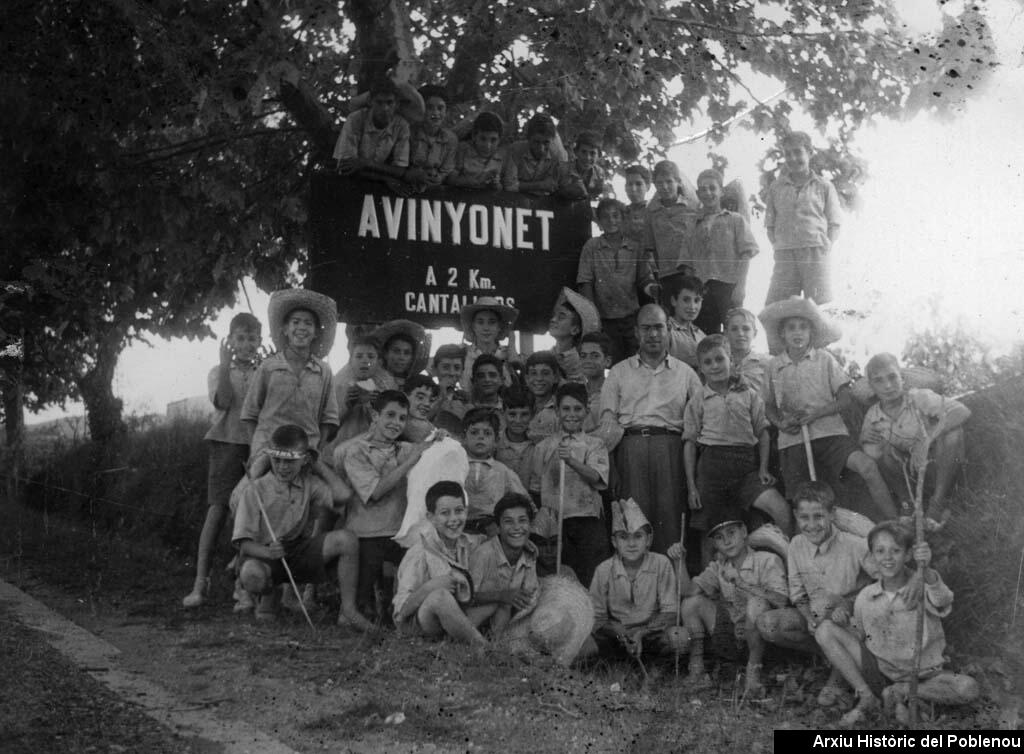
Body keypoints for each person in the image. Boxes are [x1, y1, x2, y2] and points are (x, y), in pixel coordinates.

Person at [816, 521, 979, 725]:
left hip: (925, 676)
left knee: (967, 687)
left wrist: (926, 570)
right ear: (872, 556)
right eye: (880, 551)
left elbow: (943, 599)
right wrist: (844, 623)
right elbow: (860, 634)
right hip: (880, 673)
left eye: (895, 551)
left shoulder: (922, 586)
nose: (888, 558)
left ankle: (901, 693)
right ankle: (867, 697)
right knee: (825, 630)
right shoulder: (867, 596)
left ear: (908, 555)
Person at [760, 296, 898, 519]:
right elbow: (768, 406)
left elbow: (845, 399)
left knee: (867, 467)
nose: (798, 333)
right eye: (791, 328)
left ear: (811, 333)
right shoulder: (773, 366)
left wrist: (817, 413)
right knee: (803, 501)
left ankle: (895, 524)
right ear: (782, 334)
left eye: (803, 327)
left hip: (830, 433)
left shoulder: (824, 359)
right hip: (793, 440)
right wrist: (781, 423)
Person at [232, 425, 373, 630]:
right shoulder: (255, 489)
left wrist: (318, 465)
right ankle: (269, 596)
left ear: (304, 460)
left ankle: (349, 611)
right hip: (262, 554)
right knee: (253, 575)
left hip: (297, 551)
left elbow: (343, 495)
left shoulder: (309, 483)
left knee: (346, 539)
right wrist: (268, 552)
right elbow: (244, 544)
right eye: (276, 460)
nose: (282, 467)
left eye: (290, 461)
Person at [755, 481, 874, 706]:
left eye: (818, 516)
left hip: (851, 621)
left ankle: (839, 677)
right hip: (818, 618)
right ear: (795, 516)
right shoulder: (797, 545)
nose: (811, 525)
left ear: (831, 514)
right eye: (804, 518)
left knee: (823, 605)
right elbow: (798, 595)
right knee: (768, 623)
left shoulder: (855, 545)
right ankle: (833, 658)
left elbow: (880, 585)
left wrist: (847, 605)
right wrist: (808, 617)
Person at [599, 303, 702, 554]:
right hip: (630, 448)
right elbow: (607, 421)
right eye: (646, 328)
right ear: (636, 332)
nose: (653, 334)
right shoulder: (619, 372)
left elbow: (700, 418)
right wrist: (611, 466)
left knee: (670, 517)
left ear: (668, 329)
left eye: (658, 327)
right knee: (634, 520)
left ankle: (672, 583)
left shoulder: (686, 373)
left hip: (670, 448)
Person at [683, 335, 792, 566]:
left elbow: (762, 433)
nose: (715, 366)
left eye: (719, 359)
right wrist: (692, 486)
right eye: (708, 362)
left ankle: (793, 565)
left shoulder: (748, 394)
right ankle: (709, 584)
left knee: (778, 506)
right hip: (712, 467)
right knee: (710, 530)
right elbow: (690, 443)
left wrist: (762, 468)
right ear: (700, 368)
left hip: (746, 465)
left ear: (731, 359)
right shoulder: (698, 399)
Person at [182, 313, 263, 608]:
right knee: (217, 510)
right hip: (226, 443)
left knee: (252, 511)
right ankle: (199, 585)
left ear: (260, 341)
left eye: (252, 339)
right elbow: (224, 401)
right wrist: (226, 363)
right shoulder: (218, 370)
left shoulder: (264, 369)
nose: (246, 345)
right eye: (240, 339)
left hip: (256, 445)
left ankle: (244, 583)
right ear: (230, 341)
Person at [343, 390, 444, 620]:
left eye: (401, 418)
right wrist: (410, 460)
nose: (396, 423)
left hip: (399, 532)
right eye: (390, 415)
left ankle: (395, 609)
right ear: (375, 415)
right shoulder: (357, 451)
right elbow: (376, 492)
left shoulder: (404, 448)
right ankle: (363, 608)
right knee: (364, 608)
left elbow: (432, 451)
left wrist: (441, 439)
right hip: (367, 533)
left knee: (405, 584)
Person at [674, 509, 788, 697]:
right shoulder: (720, 566)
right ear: (715, 543)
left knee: (756, 605)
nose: (727, 541)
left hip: (763, 639)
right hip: (733, 638)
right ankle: (697, 669)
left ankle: (753, 675)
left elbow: (781, 599)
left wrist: (741, 583)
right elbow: (689, 591)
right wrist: (680, 562)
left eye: (732, 533)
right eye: (719, 537)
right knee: (691, 603)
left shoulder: (767, 560)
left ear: (744, 532)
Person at [860, 352, 971, 526]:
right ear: (872, 386)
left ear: (902, 378)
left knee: (953, 433)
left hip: (938, 466)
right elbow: (870, 451)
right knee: (875, 449)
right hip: (908, 475)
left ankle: (938, 503)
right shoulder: (873, 415)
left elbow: (961, 411)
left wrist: (926, 441)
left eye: (892, 377)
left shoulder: (918, 397)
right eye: (878, 381)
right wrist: (864, 438)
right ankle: (908, 503)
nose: (888, 386)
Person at [240, 289, 340, 462]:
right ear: (285, 329)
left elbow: (329, 418)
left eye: (308, 323)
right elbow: (250, 414)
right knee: (248, 489)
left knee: (331, 489)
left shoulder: (323, 371)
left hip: (305, 452)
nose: (301, 328)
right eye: (296, 322)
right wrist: (256, 450)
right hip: (267, 451)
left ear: (316, 332)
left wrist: (316, 449)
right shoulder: (268, 367)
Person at [583, 498, 685, 660]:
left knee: (680, 637)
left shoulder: (661, 563)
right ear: (614, 542)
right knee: (584, 643)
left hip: (651, 633)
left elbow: (670, 612)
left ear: (648, 540)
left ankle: (656, 668)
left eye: (638, 536)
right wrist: (616, 630)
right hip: (617, 635)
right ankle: (616, 665)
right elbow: (597, 616)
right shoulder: (604, 569)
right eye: (623, 537)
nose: (631, 544)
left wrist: (641, 633)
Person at [529, 383, 610, 587]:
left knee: (589, 573)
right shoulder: (544, 446)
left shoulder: (595, 444)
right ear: (557, 411)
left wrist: (572, 461)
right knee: (561, 571)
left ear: (586, 411)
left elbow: (596, 477)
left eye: (577, 409)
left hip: (587, 519)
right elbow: (536, 487)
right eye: (566, 409)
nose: (571, 414)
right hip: (556, 521)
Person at [392, 481, 487, 645]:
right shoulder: (419, 552)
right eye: (444, 513)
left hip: (458, 613)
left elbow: (493, 544)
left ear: (466, 511)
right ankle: (483, 646)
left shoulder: (469, 542)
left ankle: (458, 636)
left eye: (459, 511)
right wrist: (430, 587)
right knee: (439, 597)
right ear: (431, 517)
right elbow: (400, 613)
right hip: (423, 621)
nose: (453, 519)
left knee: (499, 592)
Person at [764, 131, 842, 305]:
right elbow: (769, 225)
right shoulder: (776, 187)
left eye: (798, 152)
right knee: (777, 306)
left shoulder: (824, 186)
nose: (792, 158)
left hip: (815, 252)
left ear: (810, 152)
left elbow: (835, 223)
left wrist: (826, 245)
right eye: (788, 154)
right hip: (785, 253)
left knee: (818, 307)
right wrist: (779, 245)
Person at [576, 198, 656, 364]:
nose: (611, 220)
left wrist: (651, 288)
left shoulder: (635, 247)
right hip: (605, 319)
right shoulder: (591, 246)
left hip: (631, 317)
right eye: (605, 217)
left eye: (615, 216)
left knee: (637, 362)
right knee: (615, 365)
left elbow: (644, 278)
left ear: (623, 219)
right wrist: (593, 316)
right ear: (598, 221)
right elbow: (585, 281)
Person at [679, 169, 759, 333]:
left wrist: (740, 287)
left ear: (721, 191)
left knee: (734, 331)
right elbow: (687, 263)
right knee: (706, 336)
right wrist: (692, 294)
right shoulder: (693, 225)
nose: (708, 193)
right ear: (697, 193)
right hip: (702, 290)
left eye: (712, 188)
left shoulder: (735, 219)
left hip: (728, 287)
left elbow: (746, 253)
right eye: (703, 189)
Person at [467, 492, 540, 636]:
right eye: (508, 521)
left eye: (522, 520)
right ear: (498, 527)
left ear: (530, 525)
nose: (516, 527)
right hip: (473, 624)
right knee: (503, 604)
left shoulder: (529, 555)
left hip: (508, 624)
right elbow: (466, 597)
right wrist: (500, 595)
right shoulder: (484, 554)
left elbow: (530, 594)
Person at [333, 79, 411, 190]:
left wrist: (366, 163)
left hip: (376, 187)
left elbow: (400, 170)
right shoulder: (356, 119)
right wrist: (384, 178)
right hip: (349, 184)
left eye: (389, 102)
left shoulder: (401, 125)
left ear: (397, 104)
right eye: (379, 102)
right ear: (370, 102)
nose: (385, 108)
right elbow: (345, 166)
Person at [461, 407, 528, 536]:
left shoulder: (502, 471)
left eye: (487, 433)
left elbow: (524, 502)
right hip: (459, 528)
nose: (480, 437)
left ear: (496, 440)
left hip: (492, 530)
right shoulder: (457, 467)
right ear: (464, 437)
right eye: (474, 432)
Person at [504, 114, 586, 198]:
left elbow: (574, 188)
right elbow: (510, 186)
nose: (541, 148)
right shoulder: (516, 150)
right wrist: (541, 185)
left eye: (546, 142)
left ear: (552, 140)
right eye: (536, 142)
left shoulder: (559, 155)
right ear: (528, 138)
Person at [643, 160, 699, 280]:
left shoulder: (692, 207)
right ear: (654, 184)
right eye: (659, 183)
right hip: (666, 275)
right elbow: (650, 248)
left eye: (669, 181)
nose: (664, 187)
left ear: (678, 182)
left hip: (692, 272)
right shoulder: (651, 212)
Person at [331, 334, 387, 448]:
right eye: (359, 356)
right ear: (351, 361)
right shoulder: (338, 387)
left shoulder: (385, 390)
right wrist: (347, 408)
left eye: (371, 357)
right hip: (339, 449)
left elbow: (388, 429)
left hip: (373, 450)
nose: (365, 361)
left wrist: (377, 406)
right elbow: (328, 428)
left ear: (379, 362)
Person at [458, 296, 521, 396]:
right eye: (480, 322)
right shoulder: (462, 355)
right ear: (473, 326)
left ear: (499, 326)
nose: (486, 328)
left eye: (492, 322)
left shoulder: (509, 356)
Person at [405, 84, 458, 192]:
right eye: (429, 107)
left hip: (433, 191)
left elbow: (446, 170)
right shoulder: (408, 132)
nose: (435, 113)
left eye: (440, 108)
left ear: (446, 111)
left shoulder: (451, 139)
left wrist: (440, 177)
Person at [548, 287, 600, 384]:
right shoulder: (550, 353)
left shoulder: (578, 362)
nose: (553, 320)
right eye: (554, 315)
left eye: (561, 317)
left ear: (575, 330)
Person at [447, 112, 509, 191]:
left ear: (499, 140)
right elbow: (451, 180)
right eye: (483, 139)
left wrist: (496, 185)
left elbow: (506, 188)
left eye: (493, 140)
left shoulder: (503, 156)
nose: (488, 146)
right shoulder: (463, 150)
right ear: (474, 136)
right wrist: (477, 181)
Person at [661, 272, 706, 371]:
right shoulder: (666, 330)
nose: (692, 307)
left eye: (697, 300)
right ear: (674, 301)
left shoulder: (701, 335)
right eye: (686, 300)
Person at [373, 319, 429, 391]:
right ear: (385, 354)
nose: (401, 357)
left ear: (412, 358)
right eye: (396, 351)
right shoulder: (373, 382)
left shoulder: (419, 385)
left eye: (407, 353)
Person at [724, 308, 770, 396]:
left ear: (755, 333)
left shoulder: (767, 363)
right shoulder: (717, 361)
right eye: (734, 329)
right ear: (726, 333)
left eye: (746, 329)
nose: (740, 333)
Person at [495, 388, 535, 488]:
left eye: (524, 414)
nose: (518, 420)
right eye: (512, 414)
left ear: (532, 414)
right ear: (503, 413)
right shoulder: (494, 443)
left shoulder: (539, 444)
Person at [429, 343, 470, 436]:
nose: (452, 373)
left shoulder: (466, 399)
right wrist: (441, 398)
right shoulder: (423, 394)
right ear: (434, 369)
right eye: (446, 367)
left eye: (457, 368)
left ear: (462, 372)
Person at [525, 351, 562, 443]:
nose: (539, 378)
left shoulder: (561, 411)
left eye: (545, 373)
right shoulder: (519, 407)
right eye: (533, 373)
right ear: (526, 379)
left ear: (556, 377)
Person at [572, 131, 613, 200]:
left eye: (592, 153)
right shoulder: (561, 170)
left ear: (599, 155)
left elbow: (597, 196)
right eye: (584, 152)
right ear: (576, 152)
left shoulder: (599, 173)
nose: (587, 157)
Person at [402, 374, 440, 442]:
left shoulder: (429, 425)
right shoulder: (400, 422)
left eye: (431, 400)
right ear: (404, 397)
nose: (427, 404)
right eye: (420, 398)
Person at [622, 164, 652, 244]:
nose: (633, 189)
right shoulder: (620, 212)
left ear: (648, 187)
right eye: (630, 184)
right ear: (625, 187)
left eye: (638, 184)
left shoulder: (653, 211)